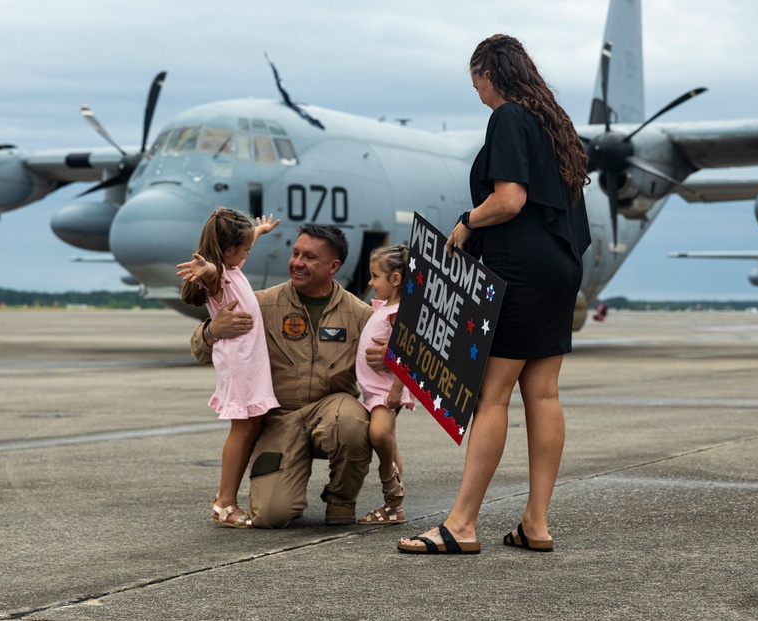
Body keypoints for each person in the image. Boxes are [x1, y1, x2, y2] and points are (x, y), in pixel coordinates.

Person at [398, 34, 591, 554]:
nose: (478, 93)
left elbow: (509, 199)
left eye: (476, 82)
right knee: (544, 393)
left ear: (490, 74)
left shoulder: (508, 117)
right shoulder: (555, 125)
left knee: (491, 394)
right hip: (560, 265)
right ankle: (535, 523)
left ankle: (461, 525)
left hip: (520, 266)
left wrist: (466, 223)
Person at [190, 224, 375, 528]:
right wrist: (213, 331)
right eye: (295, 253)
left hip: (331, 410)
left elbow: (390, 368)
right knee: (271, 516)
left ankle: (341, 500)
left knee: (352, 423)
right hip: (280, 419)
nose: (297, 262)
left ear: (333, 266)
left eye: (310, 257)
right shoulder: (260, 304)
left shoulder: (359, 315)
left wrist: (384, 360)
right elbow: (199, 349)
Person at [176, 208, 281, 528]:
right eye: (245, 248)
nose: (249, 253)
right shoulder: (219, 274)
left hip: (250, 361)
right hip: (240, 363)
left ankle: (228, 499)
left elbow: (235, 251)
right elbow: (210, 272)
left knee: (251, 426)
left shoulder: (233, 267)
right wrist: (206, 267)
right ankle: (224, 502)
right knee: (243, 428)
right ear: (226, 251)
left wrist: (258, 232)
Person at [355, 244, 414, 525]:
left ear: (395, 280)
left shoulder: (399, 311)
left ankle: (390, 485)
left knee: (379, 435)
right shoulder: (384, 306)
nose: (370, 282)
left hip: (385, 391)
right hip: (373, 389)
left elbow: (407, 353)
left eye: (375, 276)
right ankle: (394, 508)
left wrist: (397, 390)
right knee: (390, 441)